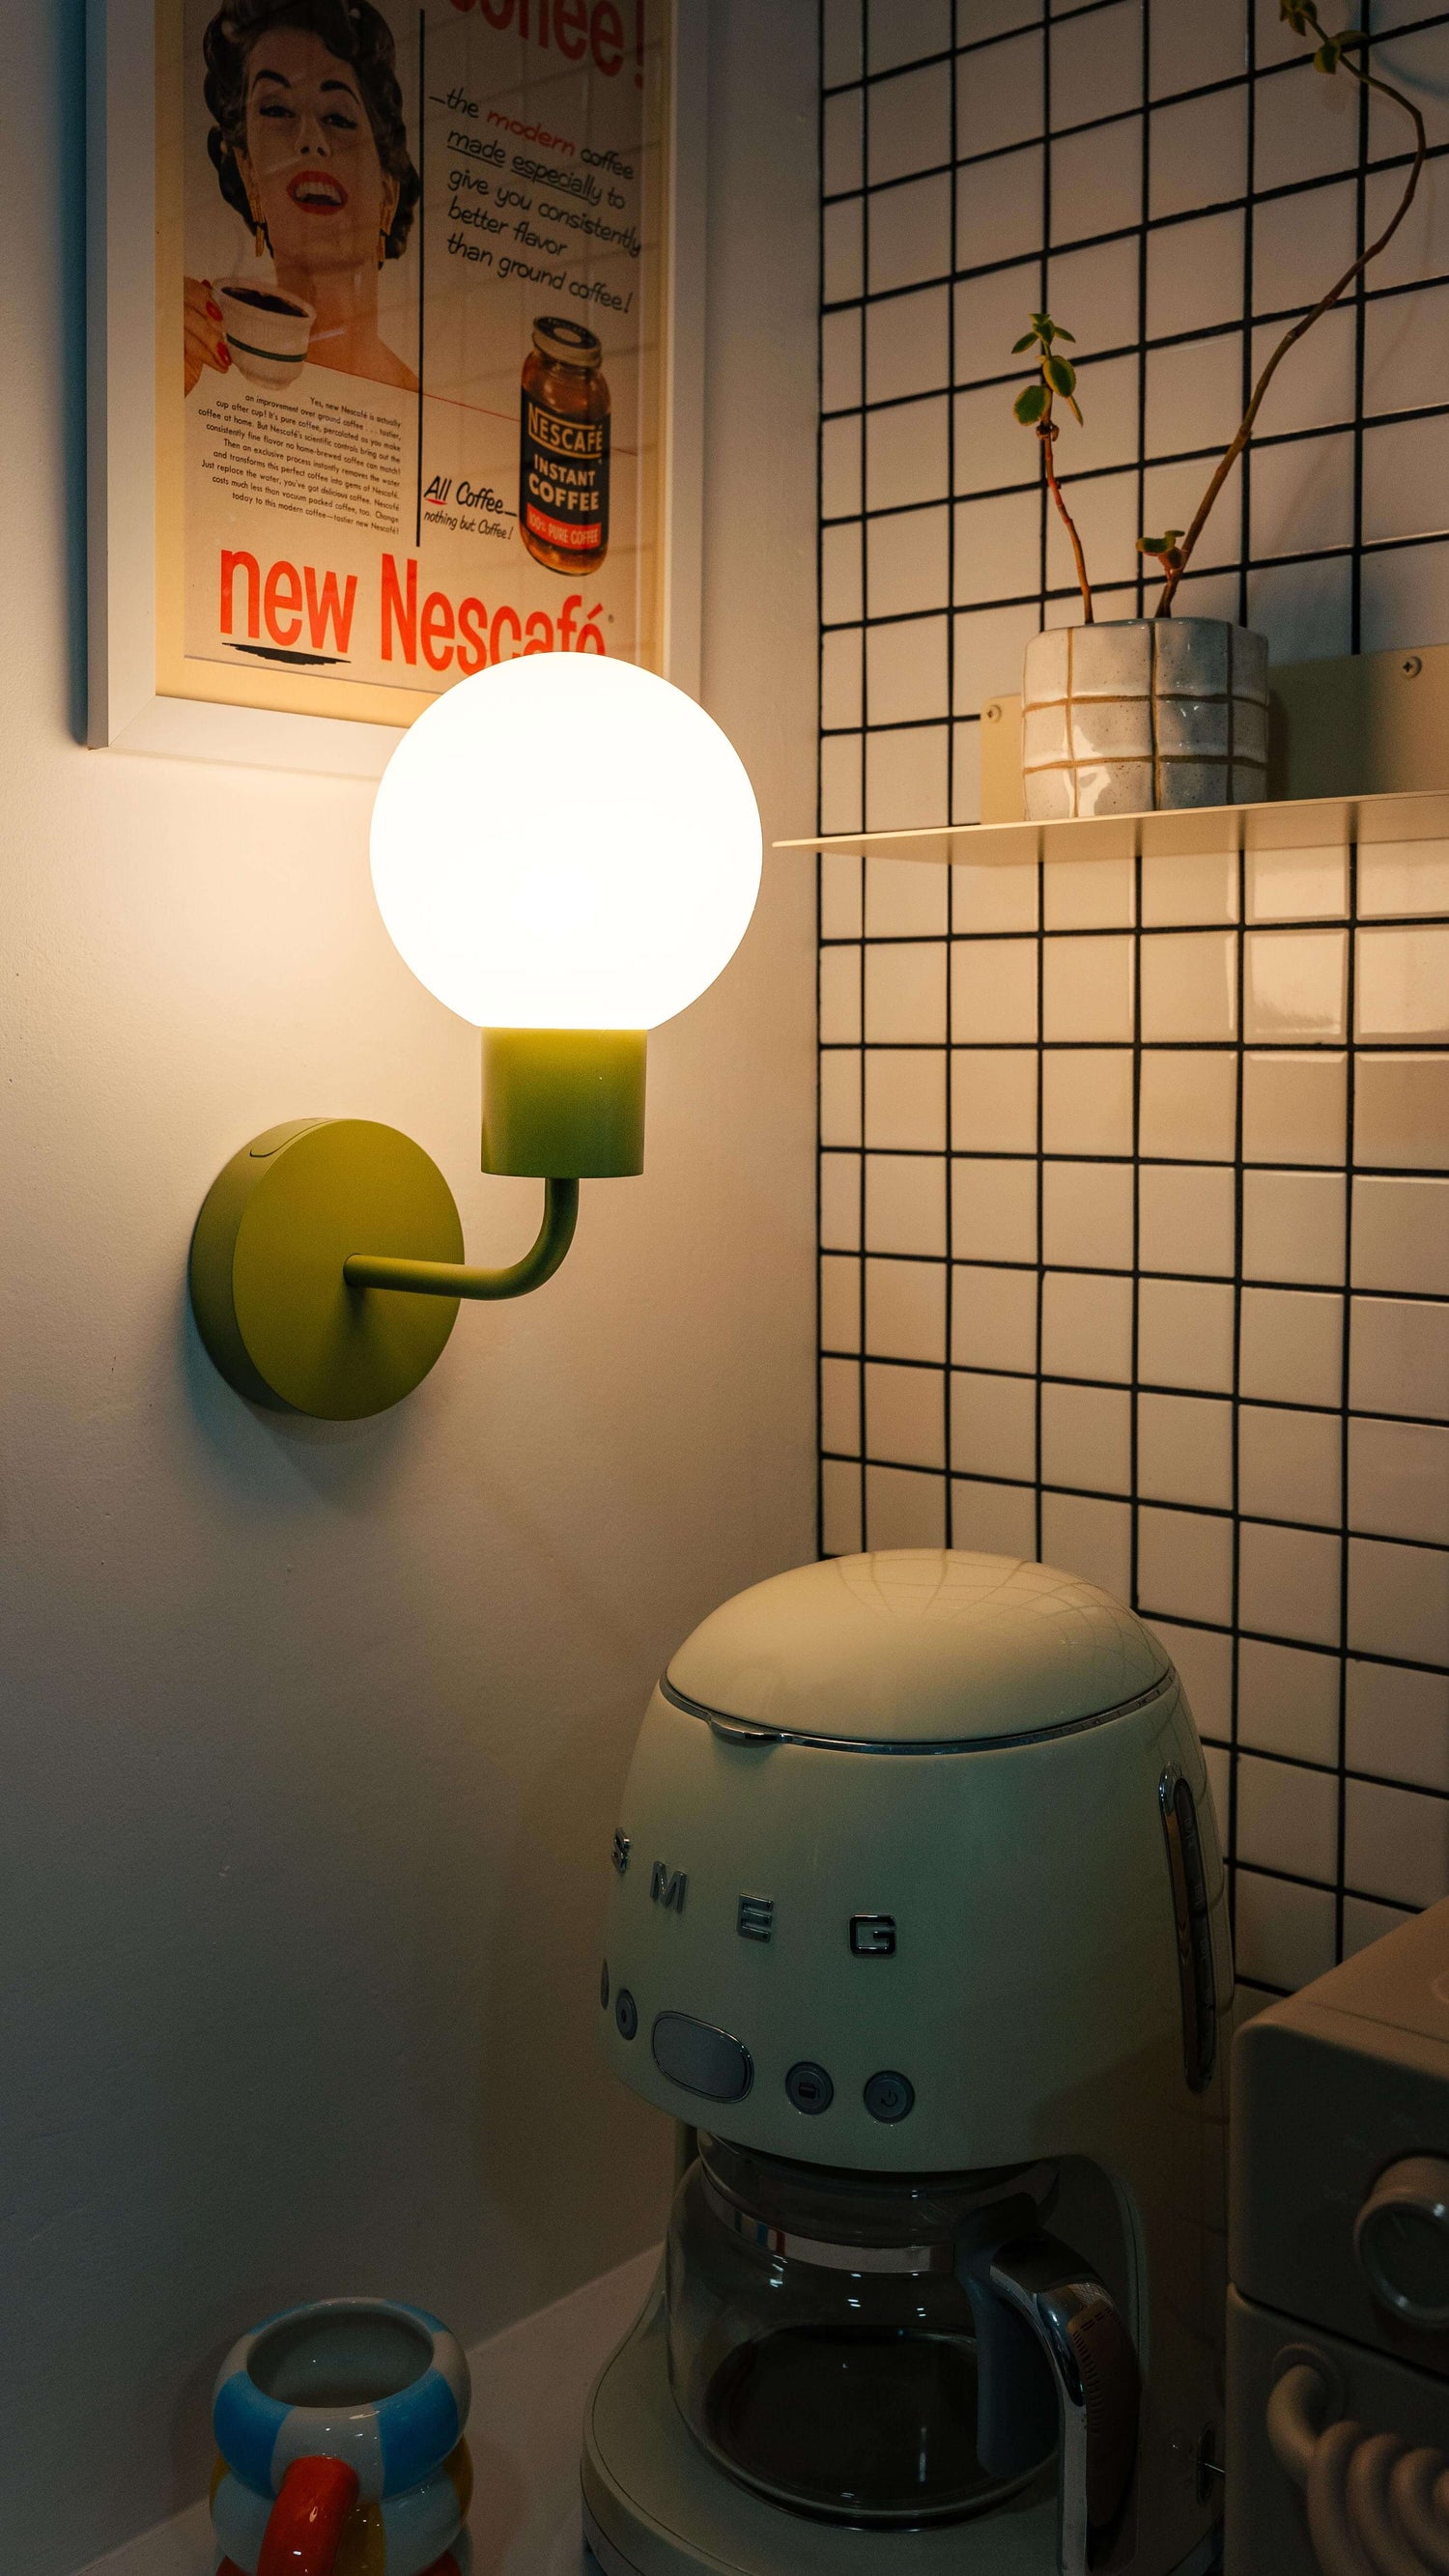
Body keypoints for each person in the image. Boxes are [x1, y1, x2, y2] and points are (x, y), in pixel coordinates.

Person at [185, 0, 420, 395]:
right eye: (277, 110)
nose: (310, 140)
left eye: (338, 118)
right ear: (248, 171)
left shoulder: (426, 415)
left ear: (387, 189)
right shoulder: (197, 367)